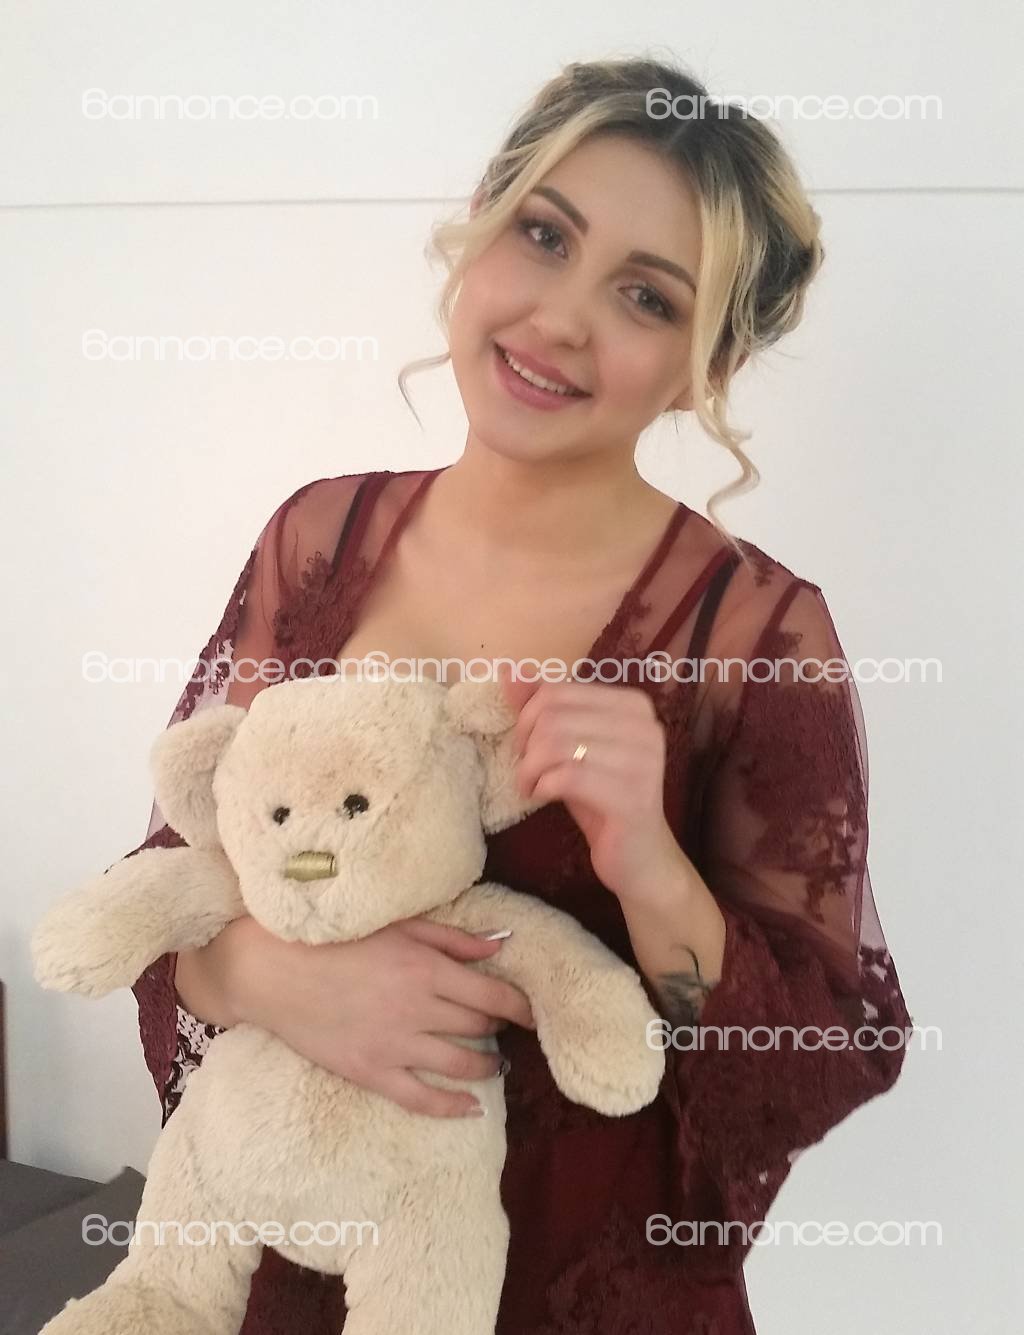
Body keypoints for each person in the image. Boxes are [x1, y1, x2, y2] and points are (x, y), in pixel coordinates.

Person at [123, 55, 911, 1334]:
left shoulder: (753, 634)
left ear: (705, 364)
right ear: (482, 223)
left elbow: (816, 1059)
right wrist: (260, 977)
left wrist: (649, 868)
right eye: (544, 235)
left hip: (594, 1295)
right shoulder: (316, 539)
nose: (559, 319)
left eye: (645, 297)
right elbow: (175, 881)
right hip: (303, 1279)